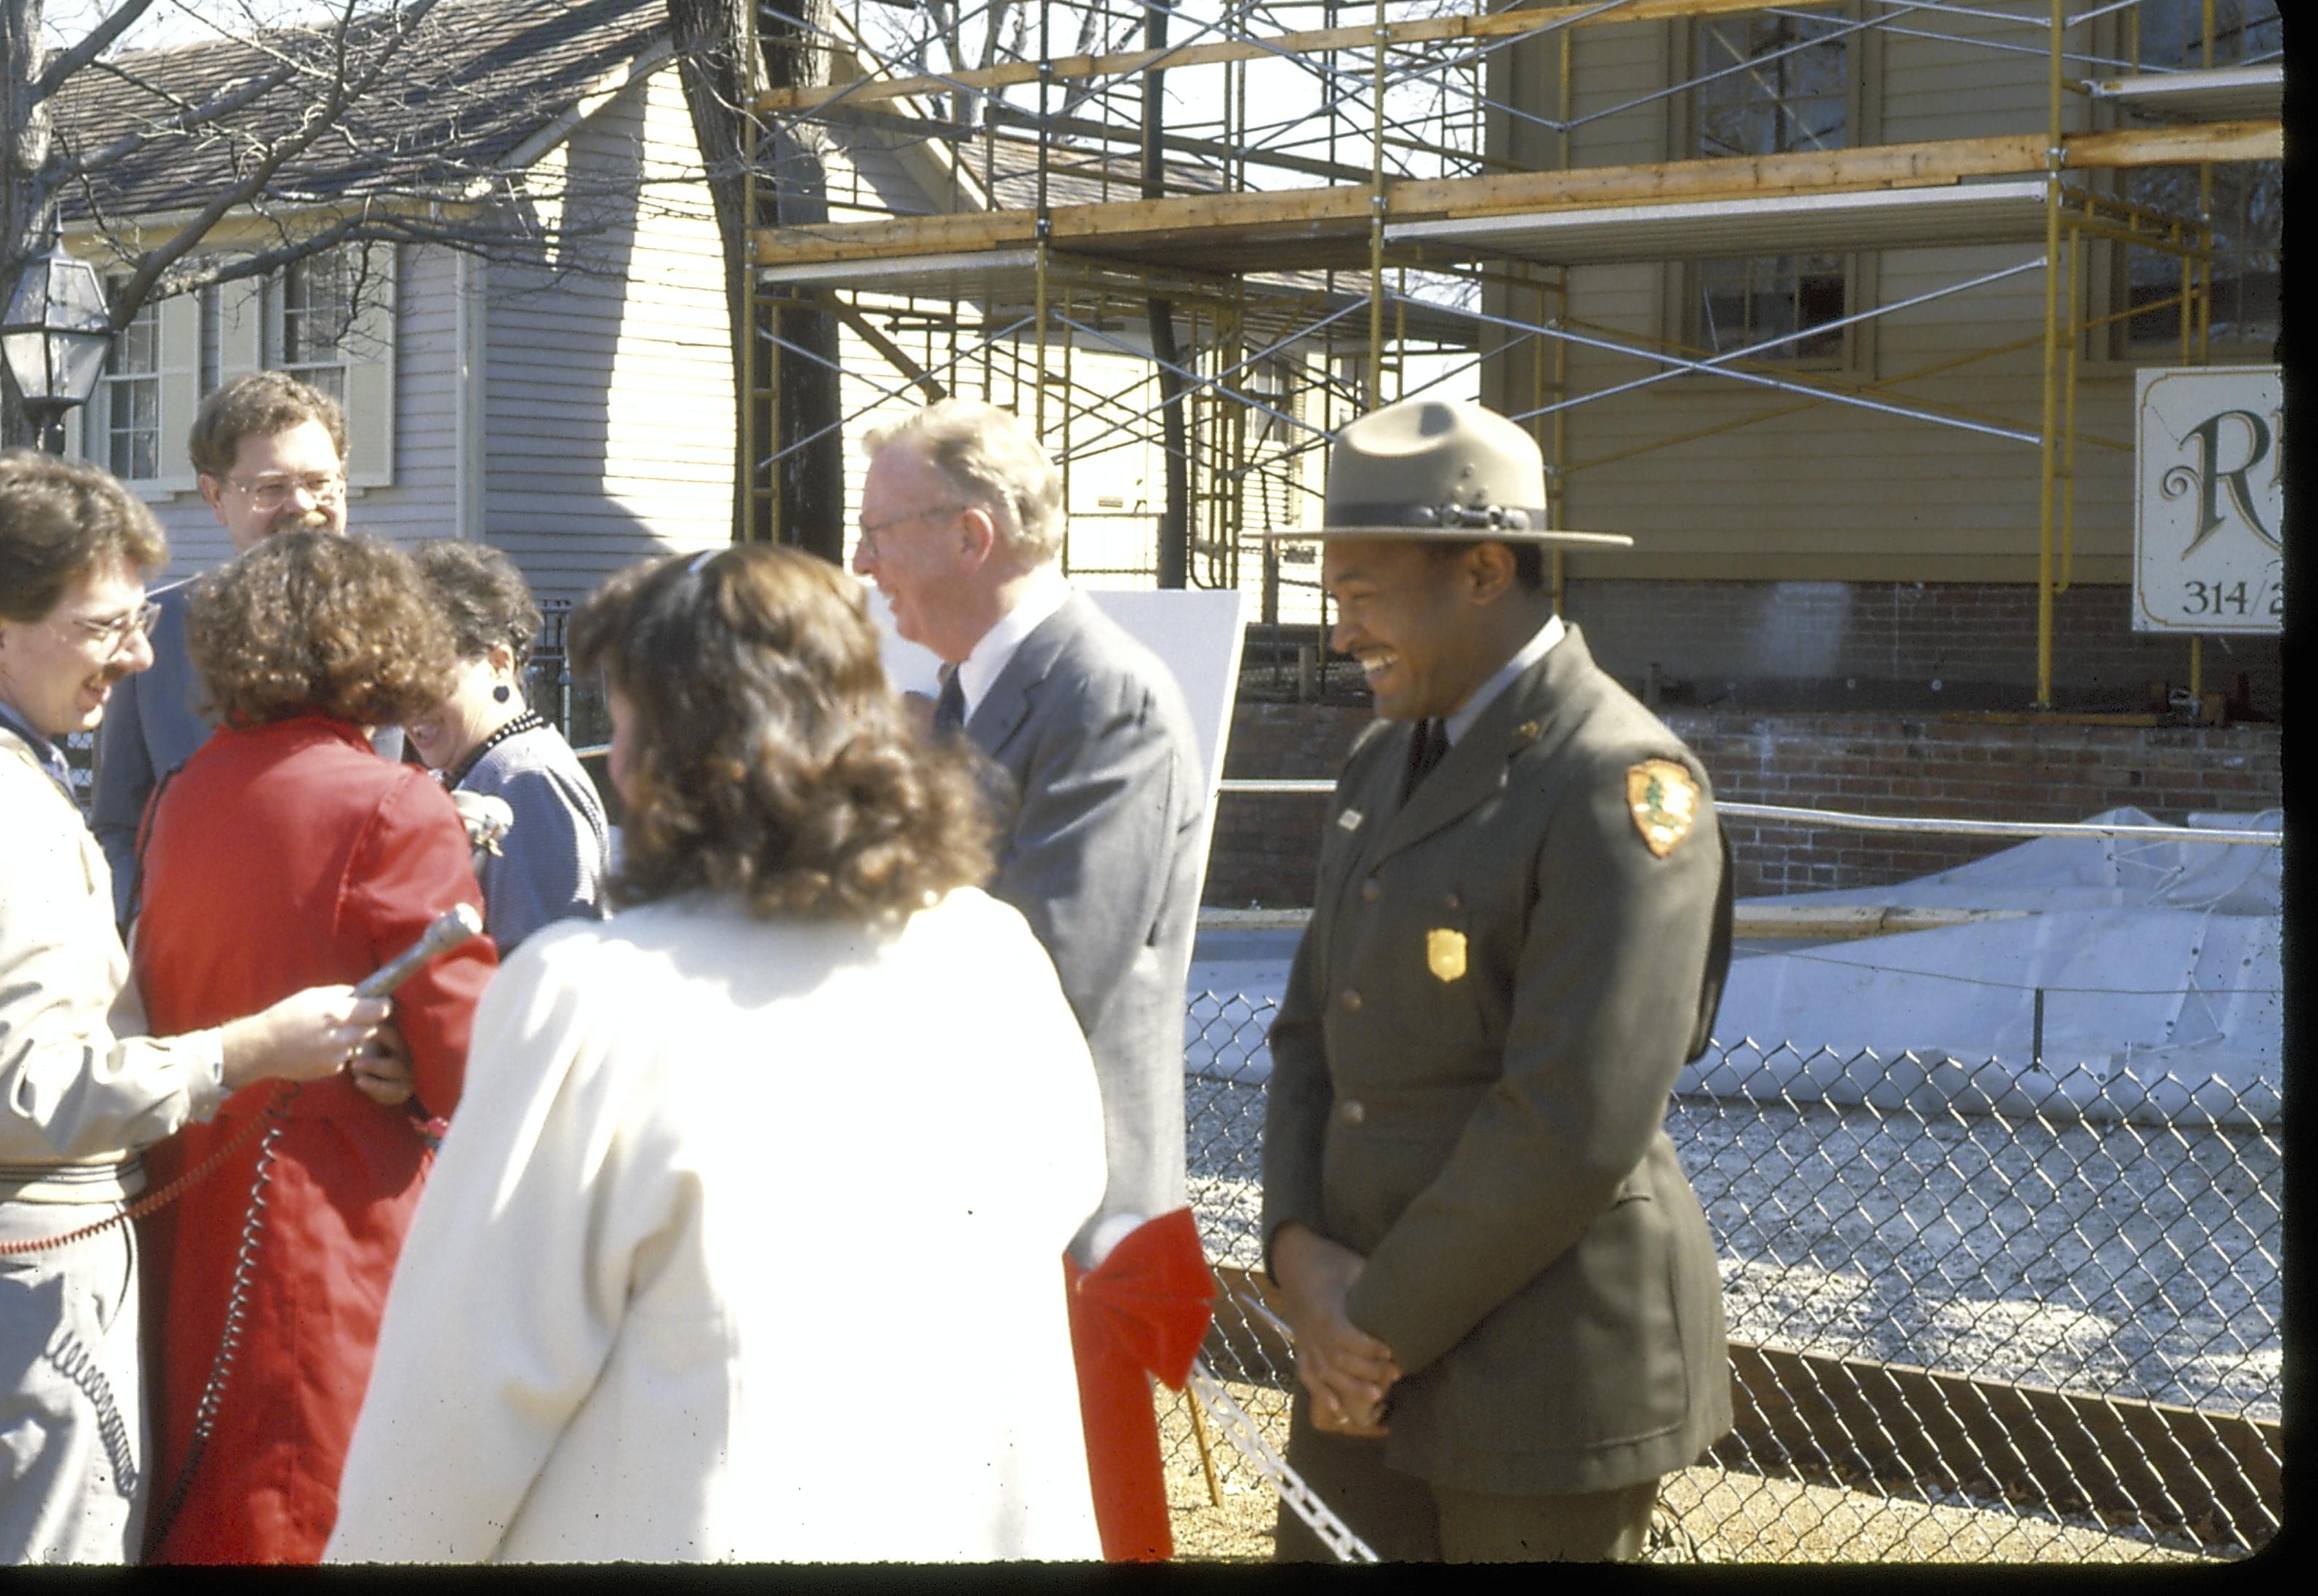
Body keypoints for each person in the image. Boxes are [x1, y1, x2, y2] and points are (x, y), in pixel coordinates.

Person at [325, 544, 1106, 1563]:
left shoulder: (590, 1000)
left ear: (663, 752)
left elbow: (467, 1391)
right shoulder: (989, 952)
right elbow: (1068, 1189)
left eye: (627, 720)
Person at [1257, 397, 1737, 1563]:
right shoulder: (1384, 760)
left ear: (1481, 572)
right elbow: (1311, 1035)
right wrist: (1297, 1254)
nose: (1340, 633)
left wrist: (1366, 1323)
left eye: (1362, 594)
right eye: (1337, 597)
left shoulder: (1617, 780)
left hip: (1537, 1373)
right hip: (1363, 1361)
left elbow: (1574, 1115)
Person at [0, 453, 389, 1566]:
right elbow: (12, 1093)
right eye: (104, 626)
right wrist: (243, 1049)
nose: (140, 655)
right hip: (18, 1283)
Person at [851, 400, 1215, 1561]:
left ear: (972, 536)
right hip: (985, 1197)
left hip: (1066, 1217)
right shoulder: (967, 695)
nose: (862, 565)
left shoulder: (1098, 694)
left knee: (1093, 1524)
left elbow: (1055, 962)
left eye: (881, 532)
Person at [130, 529, 498, 1564]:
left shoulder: (186, 788)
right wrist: (419, 1078)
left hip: (196, 1188)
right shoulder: (390, 800)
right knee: (307, 1506)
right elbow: (474, 1055)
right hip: (321, 1211)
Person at [90, 370, 401, 925]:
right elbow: (119, 823)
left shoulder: (404, 625)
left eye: (321, 483)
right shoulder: (155, 637)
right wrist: (147, 927)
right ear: (215, 496)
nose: (302, 505)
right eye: (271, 488)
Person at [406, 541, 607, 954]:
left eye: (429, 678)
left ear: (500, 662)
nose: (410, 704)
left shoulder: (523, 781)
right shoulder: (491, 767)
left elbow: (545, 968)